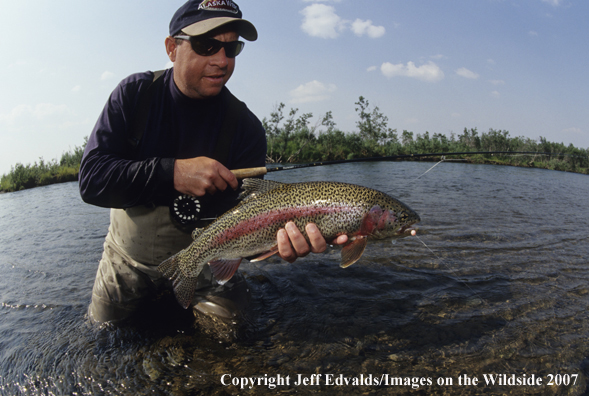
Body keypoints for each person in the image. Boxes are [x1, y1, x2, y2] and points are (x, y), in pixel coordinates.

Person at [79, 0, 347, 326]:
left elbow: (244, 229)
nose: (222, 60)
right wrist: (172, 172)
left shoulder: (246, 128)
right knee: (102, 340)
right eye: (207, 45)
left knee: (233, 341)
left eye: (231, 48)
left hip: (207, 265)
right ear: (171, 48)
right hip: (125, 263)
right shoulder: (134, 95)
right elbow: (92, 181)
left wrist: (281, 242)